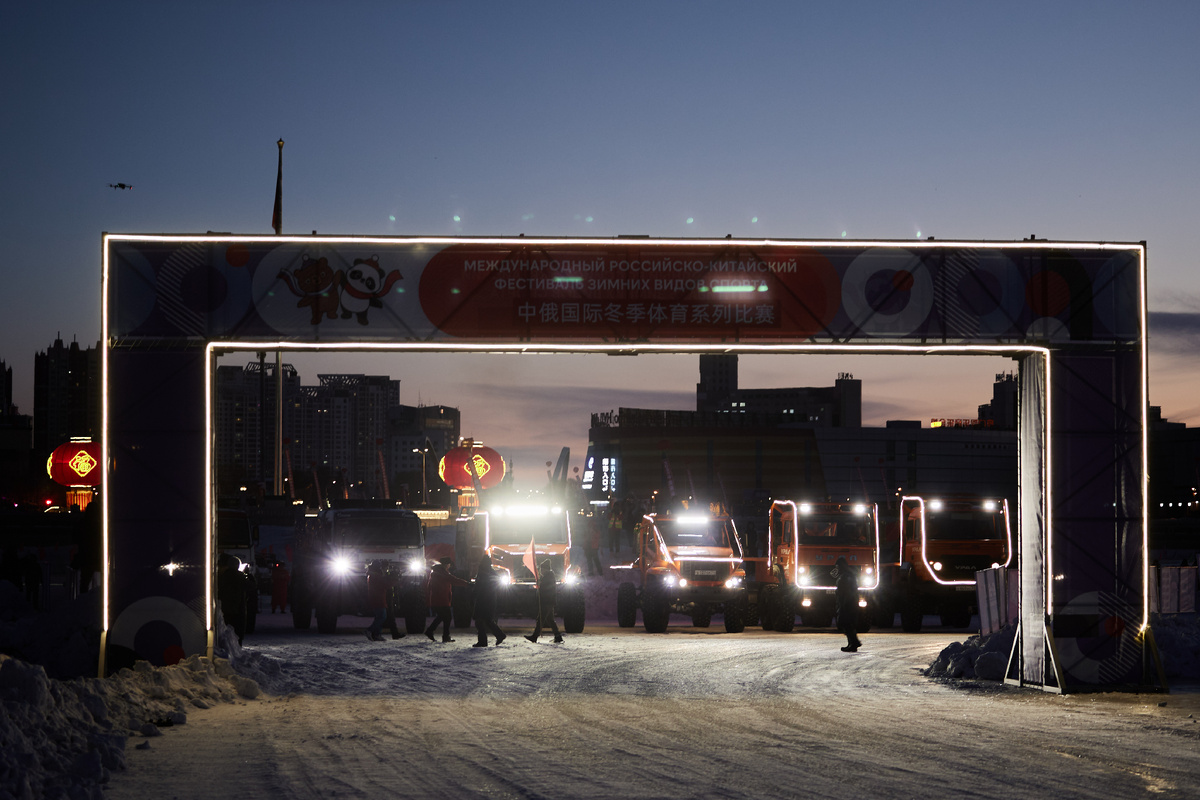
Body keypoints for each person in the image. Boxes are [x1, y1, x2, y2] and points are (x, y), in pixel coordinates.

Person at [425, 557, 468, 642]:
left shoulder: (436, 572)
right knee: (447, 617)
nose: (449, 566)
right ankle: (443, 635)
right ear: (446, 564)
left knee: (442, 617)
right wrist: (467, 584)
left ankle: (432, 631)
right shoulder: (442, 573)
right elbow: (454, 580)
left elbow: (429, 586)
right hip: (441, 600)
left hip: (438, 599)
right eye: (449, 564)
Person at [472, 553, 506, 647]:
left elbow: (478, 586)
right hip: (491, 599)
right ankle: (499, 635)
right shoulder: (492, 572)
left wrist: (473, 594)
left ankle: (483, 641)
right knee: (488, 620)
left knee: (479, 621)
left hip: (482, 600)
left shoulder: (482, 572)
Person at [525, 560, 563, 643]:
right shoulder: (549, 576)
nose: (540, 571)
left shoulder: (548, 577)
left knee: (540, 619)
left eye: (541, 569)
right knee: (550, 620)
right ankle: (558, 636)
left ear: (545, 569)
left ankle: (534, 636)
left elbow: (546, 589)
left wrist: (539, 585)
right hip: (549, 601)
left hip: (547, 601)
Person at [365, 560, 404, 641]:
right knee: (382, 617)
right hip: (379, 599)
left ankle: (377, 635)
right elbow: (386, 585)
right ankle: (370, 630)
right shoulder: (377, 576)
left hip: (376, 598)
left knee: (379, 617)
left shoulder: (372, 575)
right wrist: (395, 580)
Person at [216, 552, 248, 645]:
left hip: (225, 606)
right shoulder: (239, 576)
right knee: (237, 629)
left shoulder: (222, 576)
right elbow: (251, 586)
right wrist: (247, 575)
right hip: (237, 607)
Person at [833, 555, 862, 653]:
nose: (837, 569)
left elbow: (846, 592)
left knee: (846, 623)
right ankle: (853, 643)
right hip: (849, 603)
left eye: (837, 566)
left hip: (847, 604)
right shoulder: (848, 575)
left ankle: (853, 643)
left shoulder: (846, 577)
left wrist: (843, 604)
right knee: (848, 624)